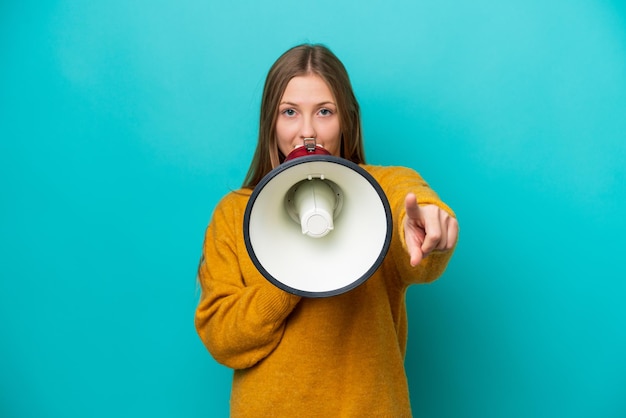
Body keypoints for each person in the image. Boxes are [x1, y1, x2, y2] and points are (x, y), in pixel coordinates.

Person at [195, 43, 459, 417]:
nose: (308, 132)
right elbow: (223, 339)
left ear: (346, 120)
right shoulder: (233, 214)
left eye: (324, 112)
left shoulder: (380, 192)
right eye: (290, 112)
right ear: (270, 121)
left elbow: (411, 210)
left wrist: (429, 229)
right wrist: (290, 272)